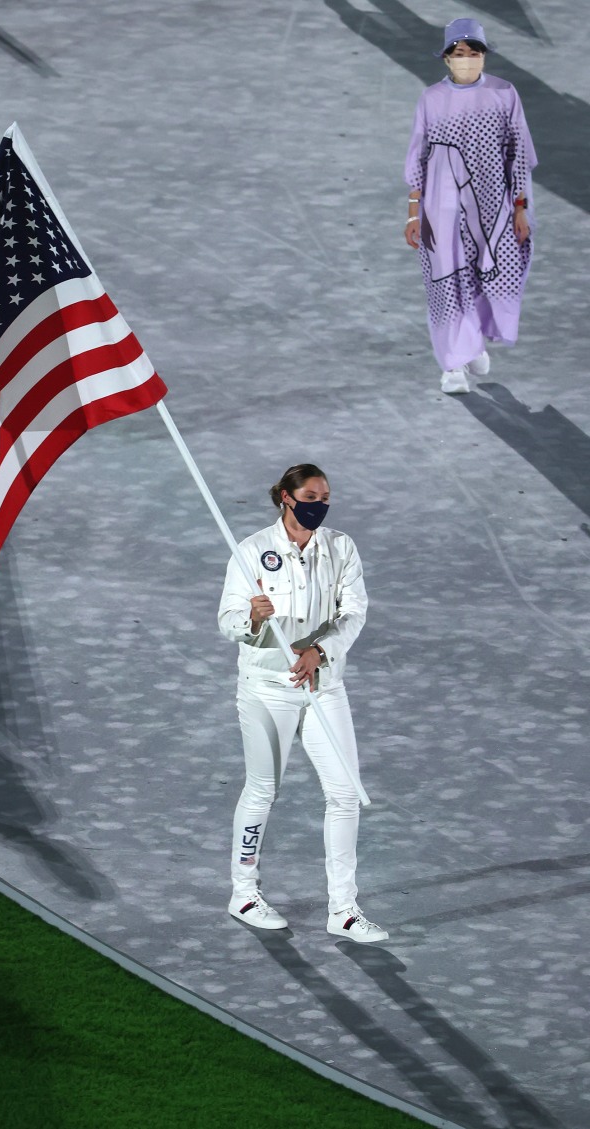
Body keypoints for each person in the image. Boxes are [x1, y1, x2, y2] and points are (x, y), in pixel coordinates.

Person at [217, 463, 388, 942]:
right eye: (312, 495)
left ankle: (345, 909)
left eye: (326, 495)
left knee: (345, 793)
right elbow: (227, 621)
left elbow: (354, 612)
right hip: (267, 689)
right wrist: (249, 617)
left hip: (322, 686)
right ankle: (244, 893)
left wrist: (320, 651)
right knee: (262, 790)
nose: (321, 504)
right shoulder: (251, 552)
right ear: (287, 499)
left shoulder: (340, 547)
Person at [404, 18, 537, 395]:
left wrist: (520, 208)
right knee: (446, 281)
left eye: (473, 52)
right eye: (458, 54)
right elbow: (419, 156)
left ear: (483, 57)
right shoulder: (431, 99)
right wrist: (414, 212)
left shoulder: (504, 93)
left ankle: (473, 341)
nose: (466, 59)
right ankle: (453, 366)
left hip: (493, 208)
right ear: (446, 60)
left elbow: (519, 154)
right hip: (441, 207)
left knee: (487, 274)